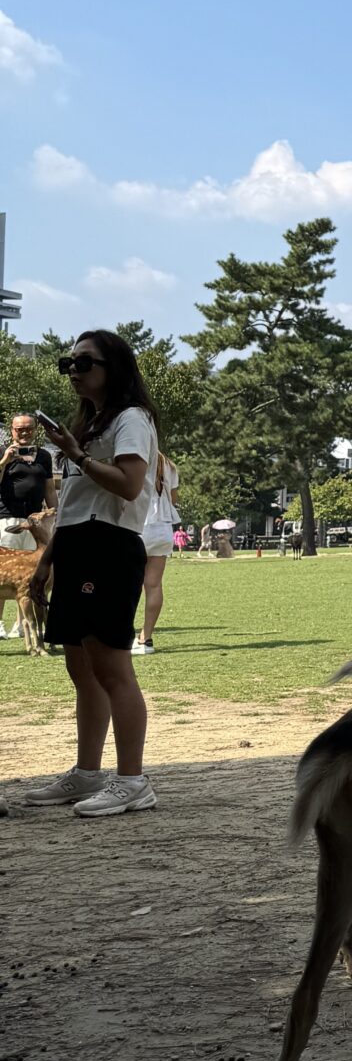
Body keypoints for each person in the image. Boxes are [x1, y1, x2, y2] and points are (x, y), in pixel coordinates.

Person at [24, 331, 160, 817]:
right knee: (79, 666)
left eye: (85, 361)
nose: (74, 369)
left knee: (111, 665)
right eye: (69, 362)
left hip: (110, 545)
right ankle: (87, 773)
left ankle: (132, 781)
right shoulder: (89, 422)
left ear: (115, 368)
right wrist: (47, 560)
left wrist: (78, 454)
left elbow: (128, 486)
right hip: (78, 543)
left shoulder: (131, 419)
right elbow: (77, 504)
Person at [0, 413, 59, 636]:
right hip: (8, 519)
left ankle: (21, 625)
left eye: (28, 428)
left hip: (34, 524)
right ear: (11, 430)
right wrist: (5, 461)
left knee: (27, 575)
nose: (24, 432)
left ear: (35, 430)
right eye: (19, 429)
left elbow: (50, 489)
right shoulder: (3, 452)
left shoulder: (43, 456)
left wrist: (56, 514)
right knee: (5, 573)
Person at [134, 449, 181, 654]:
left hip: (137, 525)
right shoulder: (168, 464)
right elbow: (174, 498)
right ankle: (146, 638)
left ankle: (124, 635)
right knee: (153, 585)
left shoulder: (133, 457)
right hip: (162, 527)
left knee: (128, 584)